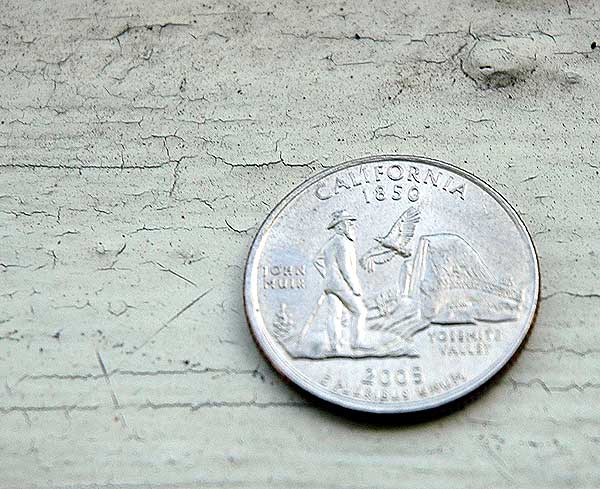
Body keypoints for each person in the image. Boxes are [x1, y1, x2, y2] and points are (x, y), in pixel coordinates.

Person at [313, 210, 369, 352]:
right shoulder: (343, 243)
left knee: (334, 314)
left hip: (330, 284)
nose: (352, 226)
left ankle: (335, 347)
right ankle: (356, 342)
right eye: (349, 224)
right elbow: (346, 269)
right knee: (359, 311)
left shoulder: (330, 243)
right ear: (340, 227)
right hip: (341, 284)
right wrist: (355, 287)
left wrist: (328, 275)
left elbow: (317, 260)